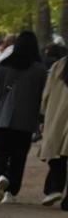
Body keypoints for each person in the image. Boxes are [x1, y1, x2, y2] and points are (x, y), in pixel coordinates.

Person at [0, 31, 48, 203]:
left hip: (3, 117)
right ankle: (11, 190)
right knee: (19, 156)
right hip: (26, 119)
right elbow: (43, 95)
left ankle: (0, 176)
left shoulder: (3, 65)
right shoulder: (39, 70)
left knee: (0, 152)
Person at [39, 50, 68, 209]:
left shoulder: (59, 65)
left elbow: (47, 93)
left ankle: (54, 187)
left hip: (58, 115)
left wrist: (43, 114)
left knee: (58, 153)